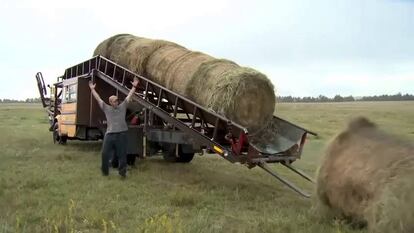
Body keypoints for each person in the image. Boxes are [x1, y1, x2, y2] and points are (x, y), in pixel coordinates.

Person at [89, 77, 139, 178]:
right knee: (104, 153)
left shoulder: (123, 106)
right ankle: (105, 172)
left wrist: (134, 86)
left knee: (122, 155)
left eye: (117, 101)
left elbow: (129, 96)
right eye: (114, 101)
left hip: (122, 134)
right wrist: (92, 89)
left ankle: (122, 174)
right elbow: (98, 98)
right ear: (110, 102)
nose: (116, 102)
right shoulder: (106, 108)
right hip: (110, 134)